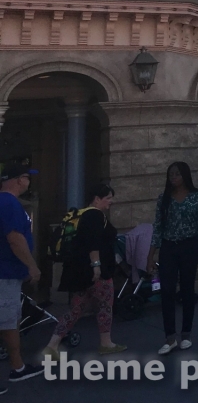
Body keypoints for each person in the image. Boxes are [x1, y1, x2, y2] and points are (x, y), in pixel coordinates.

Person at [43, 184, 125, 361]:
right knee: (104, 306)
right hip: (96, 273)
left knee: (75, 309)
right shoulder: (95, 215)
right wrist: (96, 266)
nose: (111, 201)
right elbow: (92, 242)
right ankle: (106, 343)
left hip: (78, 272)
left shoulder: (80, 215)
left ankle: (52, 345)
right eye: (108, 198)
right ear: (97, 199)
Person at [146, 161, 198, 355]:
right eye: (170, 175)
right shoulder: (164, 198)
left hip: (189, 246)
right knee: (166, 290)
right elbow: (157, 228)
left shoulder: (197, 197)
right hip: (168, 247)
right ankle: (169, 337)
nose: (173, 178)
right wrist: (150, 256)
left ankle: (186, 334)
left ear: (185, 176)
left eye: (177, 174)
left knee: (187, 289)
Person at [0, 160, 42, 387]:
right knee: (7, 322)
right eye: (27, 177)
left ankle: (18, 366)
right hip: (4, 274)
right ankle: (18, 368)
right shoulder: (9, 203)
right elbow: (15, 239)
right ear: (18, 180)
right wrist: (31, 266)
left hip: (7, 273)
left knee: (9, 320)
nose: (28, 181)